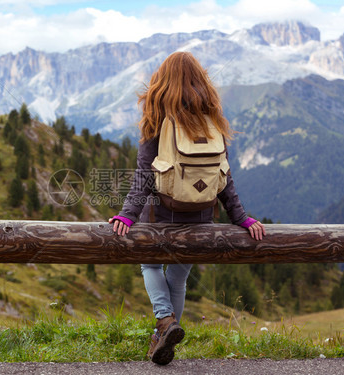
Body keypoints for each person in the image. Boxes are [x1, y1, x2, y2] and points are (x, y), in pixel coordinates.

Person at [108, 51, 266, 366]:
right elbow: (224, 176)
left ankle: (165, 323)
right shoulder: (213, 118)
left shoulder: (158, 115)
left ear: (162, 81)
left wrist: (127, 214)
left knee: (149, 265)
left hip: (161, 215)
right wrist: (241, 218)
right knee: (178, 276)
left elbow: (144, 173)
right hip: (201, 215)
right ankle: (162, 338)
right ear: (200, 80)